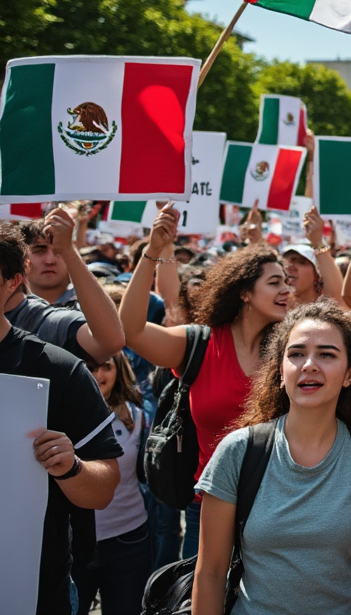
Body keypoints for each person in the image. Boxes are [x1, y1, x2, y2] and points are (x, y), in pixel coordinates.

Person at [192, 302, 351, 614]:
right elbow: (210, 573)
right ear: (280, 370)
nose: (309, 365)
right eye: (296, 353)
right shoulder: (238, 451)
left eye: (327, 355)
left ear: (350, 374)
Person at [119, 204, 291, 557]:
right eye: (275, 282)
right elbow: (131, 330)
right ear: (244, 292)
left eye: (287, 282)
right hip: (208, 507)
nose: (286, 290)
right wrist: (153, 252)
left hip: (281, 508)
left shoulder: (292, 350)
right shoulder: (199, 343)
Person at [0, 225, 121, 615]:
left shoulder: (57, 370)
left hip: (31, 592)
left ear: (13, 283)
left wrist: (70, 467)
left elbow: (103, 488)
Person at [72, 351, 151, 615]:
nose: (97, 375)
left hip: (129, 540)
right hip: (75, 542)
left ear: (119, 371)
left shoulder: (139, 417)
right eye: (90, 367)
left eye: (105, 367)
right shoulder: (62, 415)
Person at [7, 209, 126, 362]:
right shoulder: (7, 308)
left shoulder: (91, 305)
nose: (50, 260)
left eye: (58, 250)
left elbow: (111, 342)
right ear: (22, 257)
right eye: (39, 250)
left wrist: (68, 249)